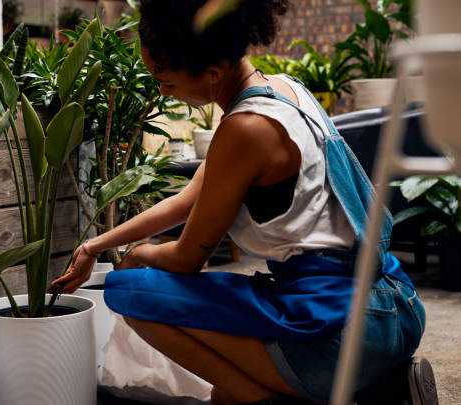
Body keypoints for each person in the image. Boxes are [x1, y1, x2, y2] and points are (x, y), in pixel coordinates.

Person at [50, 1, 438, 404]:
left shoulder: (244, 130)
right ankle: (381, 389)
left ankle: (306, 396)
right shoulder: (285, 90)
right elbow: (189, 198)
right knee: (224, 396)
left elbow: (186, 260)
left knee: (128, 291)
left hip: (339, 332)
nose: (162, 91)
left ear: (212, 73)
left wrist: (138, 255)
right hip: (398, 304)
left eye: (165, 82)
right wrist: (94, 246)